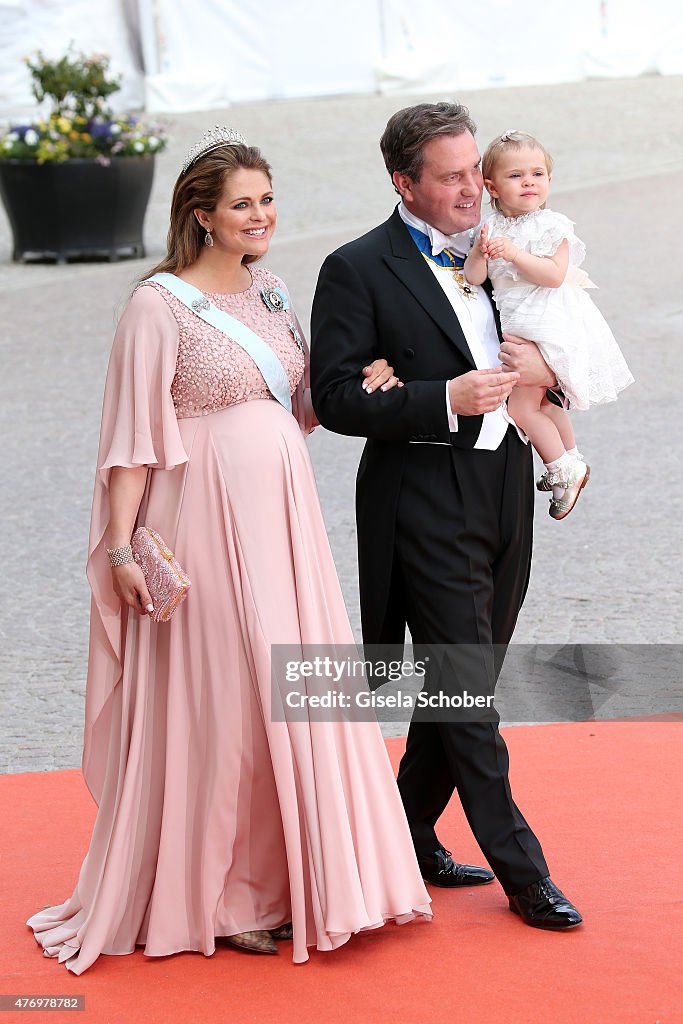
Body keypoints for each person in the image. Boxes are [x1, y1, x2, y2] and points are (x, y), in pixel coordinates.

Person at [26, 127, 431, 974]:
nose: (260, 216)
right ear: (202, 216)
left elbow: (302, 406)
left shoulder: (276, 294)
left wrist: (372, 380)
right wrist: (121, 550)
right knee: (224, 704)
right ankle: (223, 895)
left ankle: (296, 879)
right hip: (198, 518)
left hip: (284, 521)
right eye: (242, 204)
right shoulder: (157, 304)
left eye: (267, 200)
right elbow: (129, 443)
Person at [310, 102, 583, 930]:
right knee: (465, 689)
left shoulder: (508, 245)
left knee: (463, 678)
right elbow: (333, 397)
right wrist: (439, 398)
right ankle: (523, 872)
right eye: (454, 176)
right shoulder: (356, 267)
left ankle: (402, 830)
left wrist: (548, 374)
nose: (476, 187)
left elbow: (552, 322)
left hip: (503, 481)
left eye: (476, 169)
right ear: (405, 183)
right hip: (421, 496)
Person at [463, 130, 633, 519]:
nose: (529, 183)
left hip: (543, 320)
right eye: (516, 176)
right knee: (540, 401)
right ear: (491, 186)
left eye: (538, 174)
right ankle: (570, 457)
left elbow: (554, 275)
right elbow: (474, 277)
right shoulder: (489, 228)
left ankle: (560, 467)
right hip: (518, 319)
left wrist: (516, 253)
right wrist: (479, 251)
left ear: (550, 181)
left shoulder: (552, 226)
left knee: (521, 409)